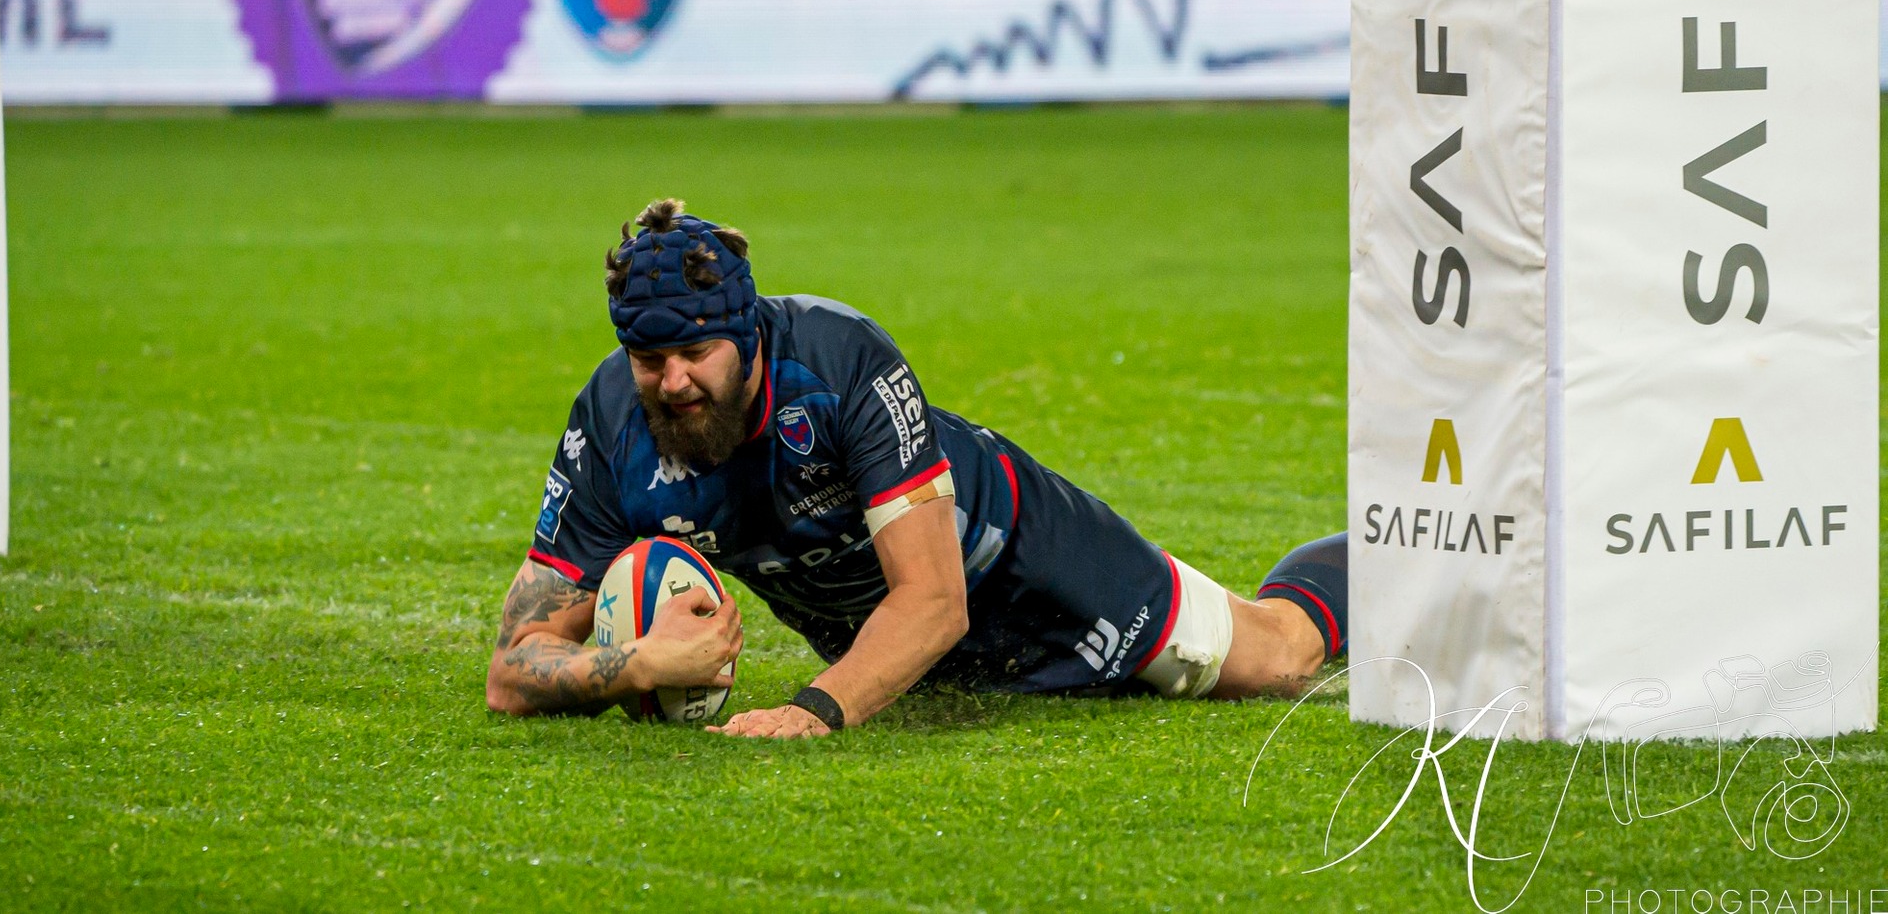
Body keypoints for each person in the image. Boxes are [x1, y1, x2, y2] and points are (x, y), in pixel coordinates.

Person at [485, 199, 1349, 738]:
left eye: (696, 351)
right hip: (883, 635)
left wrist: (812, 711)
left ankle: (1397, 545)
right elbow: (512, 671)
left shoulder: (837, 358)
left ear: (748, 334)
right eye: (648, 356)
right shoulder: (609, 424)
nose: (672, 382)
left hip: (1026, 563)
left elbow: (935, 600)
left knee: (1277, 661)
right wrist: (633, 665)